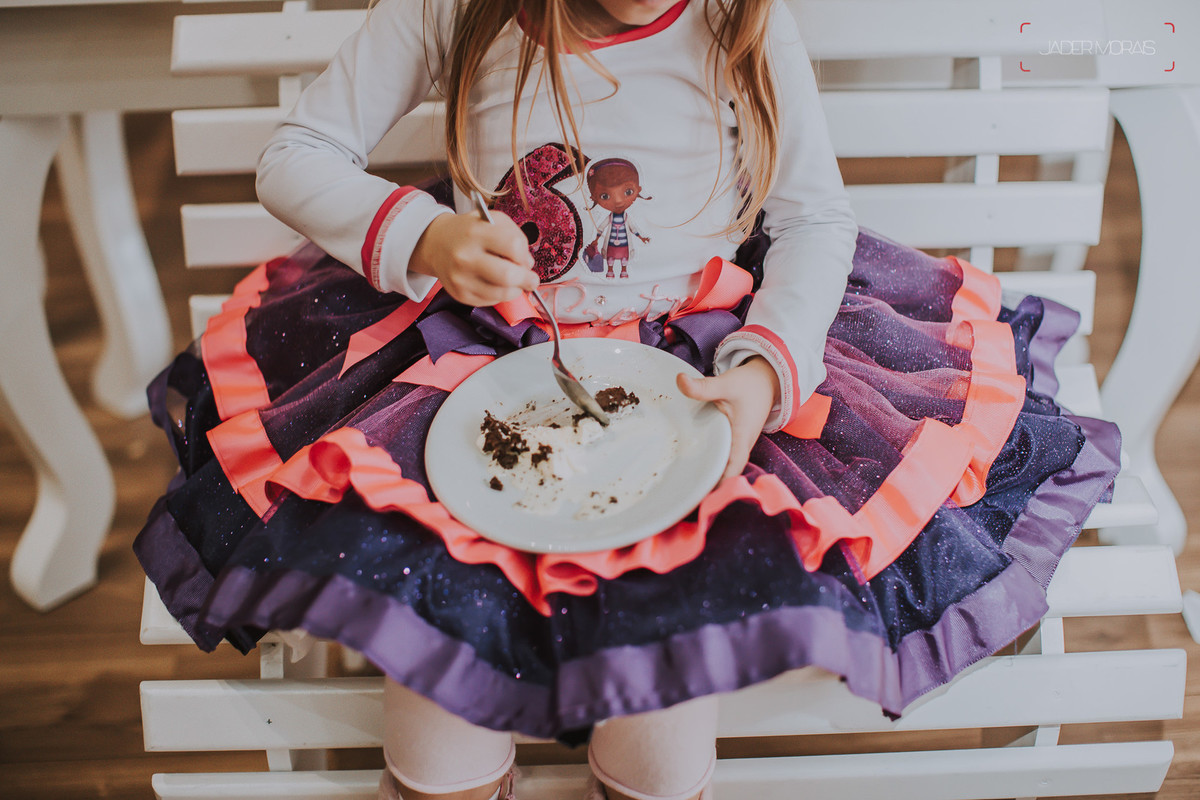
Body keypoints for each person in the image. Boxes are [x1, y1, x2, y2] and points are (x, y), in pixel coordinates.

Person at [134, 0, 1120, 799]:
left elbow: (814, 215)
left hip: (696, 375)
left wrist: (760, 375)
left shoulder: (744, 20)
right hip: (470, 372)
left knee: (663, 711)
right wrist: (429, 238)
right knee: (437, 727)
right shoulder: (452, 9)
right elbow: (293, 155)